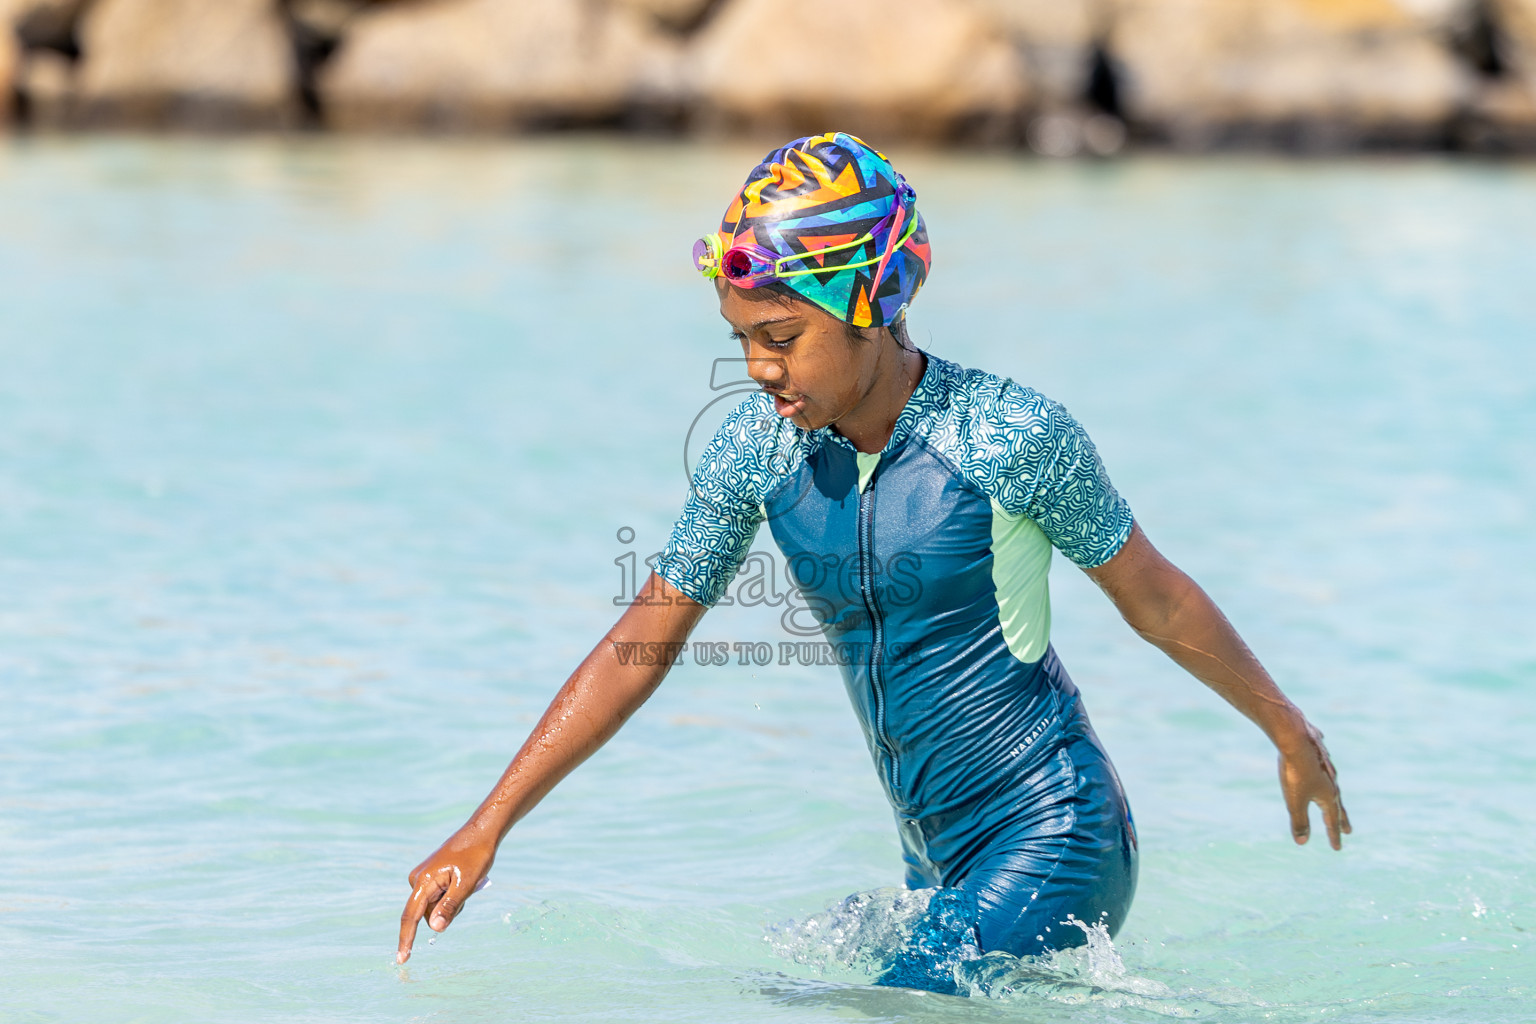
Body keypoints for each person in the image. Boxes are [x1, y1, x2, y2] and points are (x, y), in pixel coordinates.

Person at [395, 132, 1350, 991]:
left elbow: (1158, 600)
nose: (761, 368)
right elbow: (641, 640)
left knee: (888, 1003)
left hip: (1054, 829)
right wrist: (489, 826)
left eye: (783, 338)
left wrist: (1285, 728)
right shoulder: (756, 451)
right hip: (931, 858)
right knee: (783, 981)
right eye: (742, 340)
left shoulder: (1006, 434)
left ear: (873, 301)